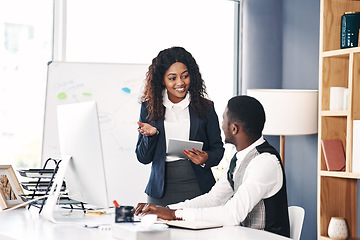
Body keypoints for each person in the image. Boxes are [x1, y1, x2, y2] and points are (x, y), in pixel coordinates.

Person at [135, 95, 290, 238]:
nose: (221, 125)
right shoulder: (239, 158)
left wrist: (177, 214)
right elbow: (214, 198)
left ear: (234, 128)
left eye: (223, 120)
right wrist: (165, 210)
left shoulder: (264, 162)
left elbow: (232, 214)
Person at [135, 46, 225, 207]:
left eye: (185, 76)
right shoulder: (149, 108)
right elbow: (143, 158)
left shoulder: (206, 107)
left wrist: (205, 158)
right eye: (172, 78)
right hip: (161, 191)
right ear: (162, 80)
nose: (180, 83)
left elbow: (218, 150)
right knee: (162, 232)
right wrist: (150, 137)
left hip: (199, 190)